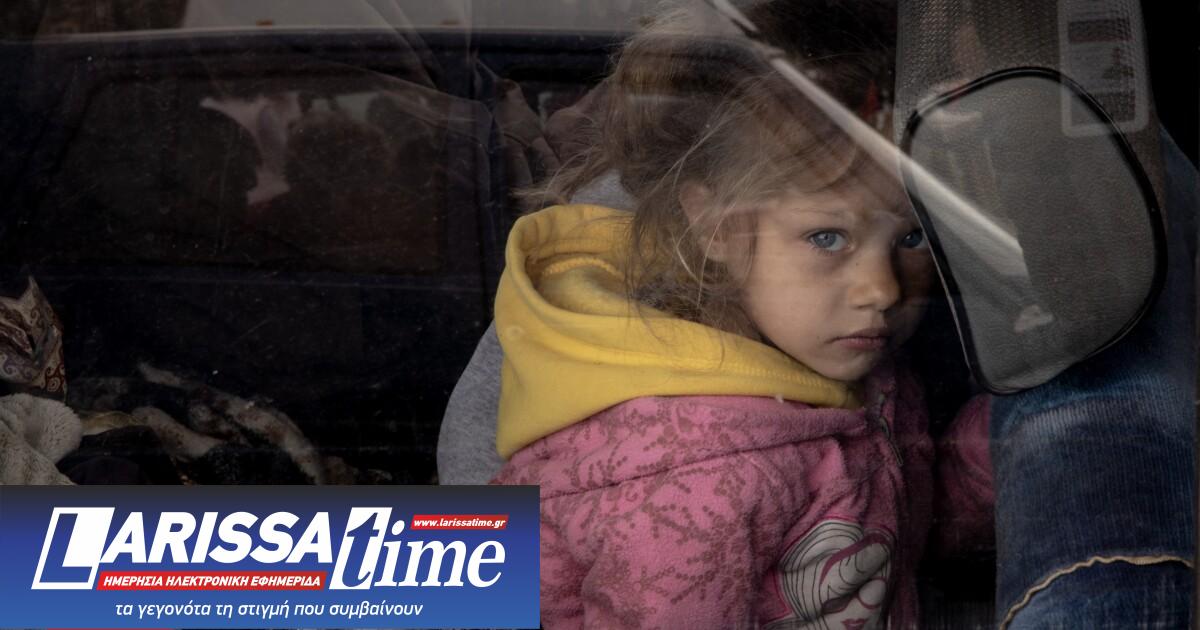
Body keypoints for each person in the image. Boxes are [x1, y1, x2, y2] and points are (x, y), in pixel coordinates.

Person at [484, 2, 990, 627]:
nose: (883, 289)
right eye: (827, 238)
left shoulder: (857, 372)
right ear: (715, 226)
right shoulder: (697, 487)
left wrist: (993, 453)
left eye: (911, 238)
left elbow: (896, 526)